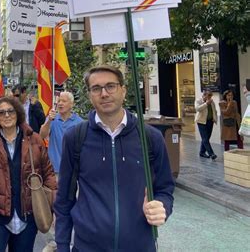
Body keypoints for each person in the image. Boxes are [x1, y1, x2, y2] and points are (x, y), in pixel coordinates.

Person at [54, 65, 175, 252]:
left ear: (123, 90)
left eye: (111, 86)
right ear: (89, 95)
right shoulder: (75, 138)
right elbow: (64, 199)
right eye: (96, 88)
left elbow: (165, 188)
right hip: (88, 247)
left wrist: (162, 207)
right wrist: (62, 246)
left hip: (140, 246)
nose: (104, 93)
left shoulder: (149, 138)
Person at [0, 96, 57, 251]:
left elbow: (48, 173)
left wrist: (52, 203)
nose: (7, 115)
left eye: (10, 111)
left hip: (28, 214)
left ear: (18, 113)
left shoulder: (35, 139)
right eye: (2, 112)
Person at [39, 91, 83, 175]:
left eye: (64, 101)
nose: (60, 103)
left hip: (72, 169)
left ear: (71, 104)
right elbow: (42, 135)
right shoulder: (52, 118)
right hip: (54, 169)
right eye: (59, 101)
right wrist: (49, 121)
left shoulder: (79, 122)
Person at [195, 90, 218, 160]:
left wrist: (215, 119)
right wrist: (206, 104)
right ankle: (211, 154)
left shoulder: (212, 102)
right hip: (201, 122)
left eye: (211, 95)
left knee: (207, 138)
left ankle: (202, 152)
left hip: (210, 121)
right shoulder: (198, 101)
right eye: (209, 95)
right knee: (205, 138)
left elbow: (215, 111)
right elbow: (197, 109)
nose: (210, 97)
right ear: (204, 95)